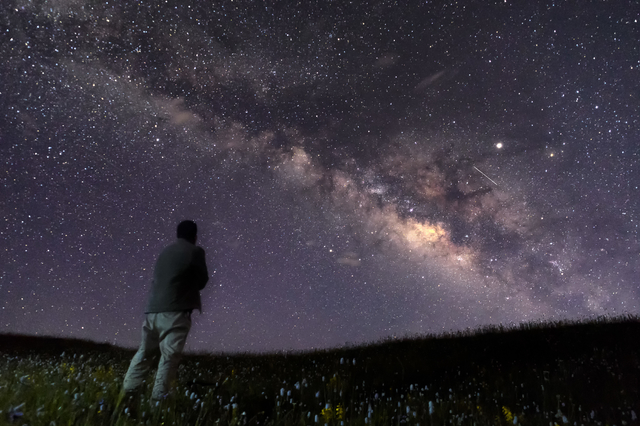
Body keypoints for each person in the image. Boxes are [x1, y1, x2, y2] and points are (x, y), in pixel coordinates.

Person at [119, 220, 209, 409]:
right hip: (175, 312)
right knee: (169, 358)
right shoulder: (196, 251)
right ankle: (158, 406)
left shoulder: (165, 252)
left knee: (144, 354)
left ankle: (126, 398)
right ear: (194, 236)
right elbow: (202, 281)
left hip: (152, 310)